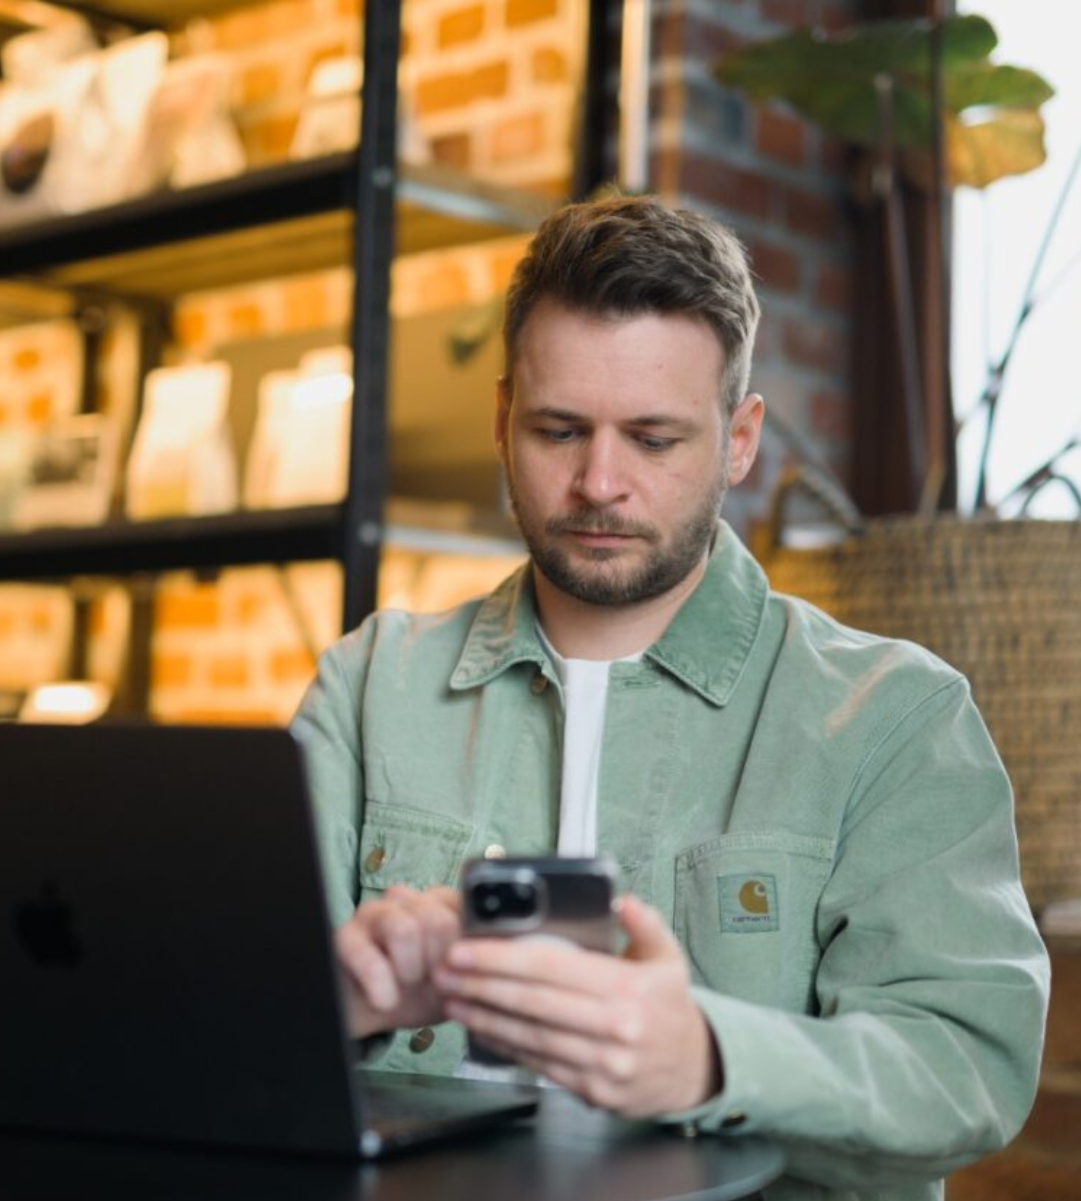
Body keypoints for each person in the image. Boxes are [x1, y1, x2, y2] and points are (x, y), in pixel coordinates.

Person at [291, 194, 1049, 1199]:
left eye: (653, 440)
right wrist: (342, 1002)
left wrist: (705, 1055)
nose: (599, 482)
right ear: (501, 418)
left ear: (737, 441)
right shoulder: (369, 684)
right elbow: (219, 1021)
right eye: (559, 429)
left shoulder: (893, 715)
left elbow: (965, 1070)